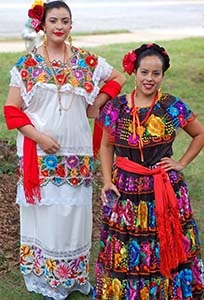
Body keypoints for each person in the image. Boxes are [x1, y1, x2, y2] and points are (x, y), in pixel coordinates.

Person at [3, 0, 126, 299]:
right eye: (54, 20)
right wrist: (40, 138)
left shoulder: (87, 62)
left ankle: (73, 277)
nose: (59, 26)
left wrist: (98, 101)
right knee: (47, 215)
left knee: (75, 215)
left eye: (65, 21)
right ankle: (45, 278)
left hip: (78, 151)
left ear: (71, 25)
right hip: (41, 154)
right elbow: (12, 111)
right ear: (42, 25)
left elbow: (118, 78)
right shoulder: (28, 65)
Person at [94, 43, 204, 299]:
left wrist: (181, 163)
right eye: (144, 72)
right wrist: (107, 181)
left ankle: (165, 291)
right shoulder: (117, 108)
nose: (149, 79)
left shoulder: (171, 107)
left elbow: (199, 134)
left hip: (164, 186)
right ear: (134, 71)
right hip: (126, 187)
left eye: (156, 73)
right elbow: (106, 145)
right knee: (128, 243)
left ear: (163, 75)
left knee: (163, 241)